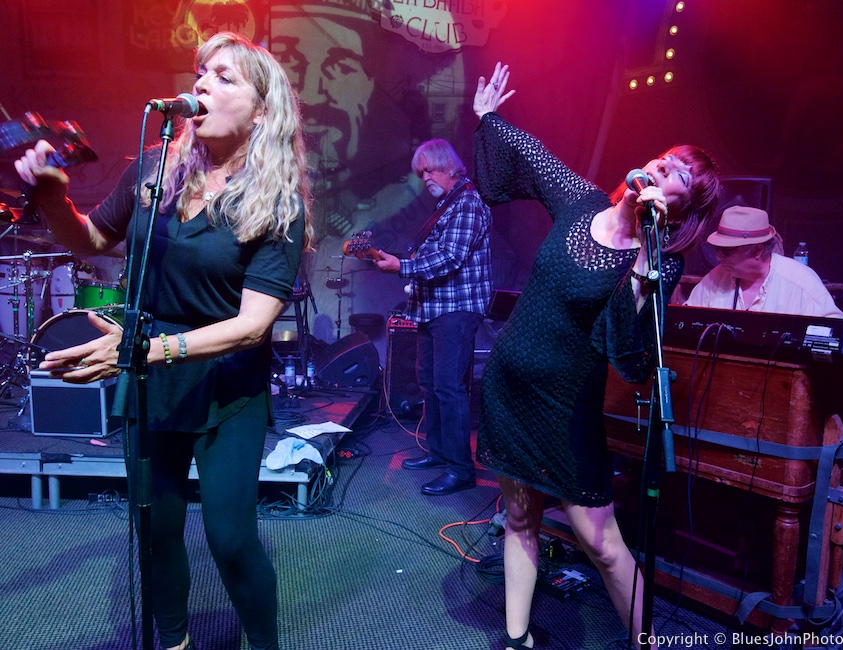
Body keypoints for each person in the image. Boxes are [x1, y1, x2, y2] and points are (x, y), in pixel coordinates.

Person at [14, 32, 310, 650]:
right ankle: (173, 642)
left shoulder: (277, 201)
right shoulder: (153, 170)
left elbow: (253, 325)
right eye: (201, 71)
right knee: (155, 528)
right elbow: (92, 239)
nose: (201, 83)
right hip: (151, 380)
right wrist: (54, 199)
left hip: (225, 381)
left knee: (230, 538)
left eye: (224, 76)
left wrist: (144, 351)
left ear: (263, 111)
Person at [471, 63, 720, 649]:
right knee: (520, 517)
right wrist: (487, 117)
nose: (663, 166)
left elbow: (626, 347)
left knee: (601, 541)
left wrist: (647, 250)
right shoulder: (580, 202)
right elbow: (530, 154)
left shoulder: (661, 263)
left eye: (679, 173)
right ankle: (517, 638)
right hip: (509, 384)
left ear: (681, 208)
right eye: (665, 158)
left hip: (565, 407)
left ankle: (645, 642)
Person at [371, 139, 493, 496]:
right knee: (430, 382)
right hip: (435, 309)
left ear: (448, 166)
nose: (425, 177)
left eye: (430, 169)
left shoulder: (467, 202)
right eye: (420, 172)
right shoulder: (447, 205)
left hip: (456, 309)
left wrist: (401, 266)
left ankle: (460, 468)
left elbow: (451, 257)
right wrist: (399, 261)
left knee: (449, 387)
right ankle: (439, 452)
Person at [684, 205, 843, 387]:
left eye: (727, 250)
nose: (718, 256)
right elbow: (683, 324)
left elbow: (838, 339)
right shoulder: (716, 277)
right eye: (718, 248)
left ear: (757, 250)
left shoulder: (800, 282)